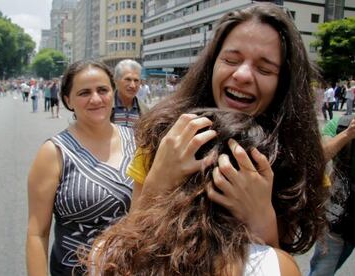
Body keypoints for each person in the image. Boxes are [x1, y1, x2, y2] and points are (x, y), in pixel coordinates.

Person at [125, 2, 326, 256]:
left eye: (264, 69)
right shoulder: (166, 135)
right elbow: (128, 249)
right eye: (231, 60)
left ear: (283, 83)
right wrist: (158, 182)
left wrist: (262, 219)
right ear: (212, 64)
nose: (242, 75)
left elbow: (278, 266)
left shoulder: (295, 156)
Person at [88, 109, 302, 275]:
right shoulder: (275, 266)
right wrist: (265, 222)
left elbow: (133, 238)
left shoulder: (106, 253)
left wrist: (154, 185)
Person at [26, 60, 136, 276]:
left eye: (102, 90)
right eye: (84, 93)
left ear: (113, 92)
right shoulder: (54, 152)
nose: (95, 99)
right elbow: (37, 234)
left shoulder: (137, 141)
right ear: (68, 100)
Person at [308, 110, 355, 276]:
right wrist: (348, 134)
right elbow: (318, 159)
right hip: (337, 215)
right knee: (322, 271)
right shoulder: (341, 124)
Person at [110, 59, 148, 127]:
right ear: (116, 80)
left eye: (136, 80)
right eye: (128, 79)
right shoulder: (105, 106)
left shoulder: (145, 111)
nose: (132, 86)